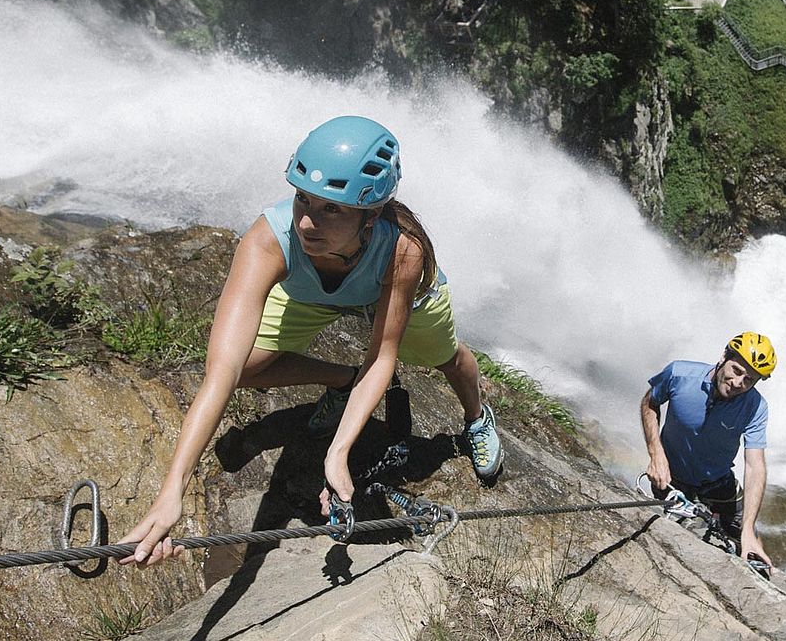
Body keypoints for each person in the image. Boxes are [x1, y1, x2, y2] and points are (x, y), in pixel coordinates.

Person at [119, 115, 504, 566]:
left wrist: (337, 454)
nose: (306, 222)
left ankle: (478, 417)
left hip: (403, 298)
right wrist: (172, 492)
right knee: (242, 368)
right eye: (303, 199)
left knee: (445, 357)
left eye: (332, 209)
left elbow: (382, 355)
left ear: (371, 213)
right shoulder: (267, 240)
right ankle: (342, 382)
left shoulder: (403, 249)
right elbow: (219, 374)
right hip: (313, 292)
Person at [640, 332, 775, 568]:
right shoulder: (679, 375)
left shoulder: (755, 406)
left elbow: (755, 466)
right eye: (736, 370)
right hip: (671, 479)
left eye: (749, 380)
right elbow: (650, 402)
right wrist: (656, 454)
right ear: (724, 356)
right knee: (682, 546)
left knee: (750, 536)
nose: (738, 383)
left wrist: (748, 530)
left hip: (718, 481)